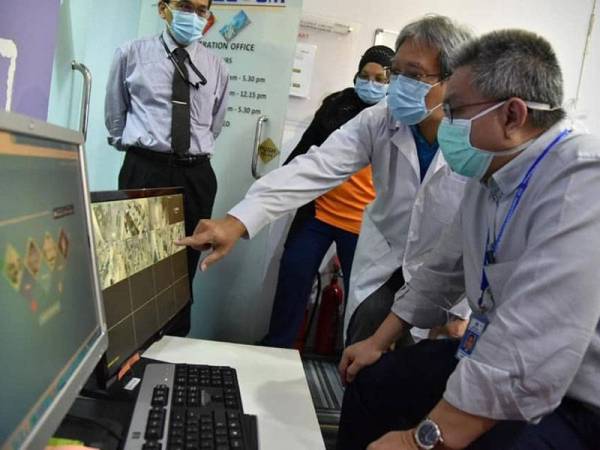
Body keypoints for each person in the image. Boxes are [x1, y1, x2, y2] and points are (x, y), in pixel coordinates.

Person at [337, 29, 600, 450]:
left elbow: (534, 334)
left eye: (456, 110)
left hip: (575, 397)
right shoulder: (491, 170)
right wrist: (377, 341)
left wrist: (419, 440)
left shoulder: (583, 180)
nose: (445, 121)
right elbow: (442, 269)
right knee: (375, 384)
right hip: (490, 351)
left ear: (513, 116)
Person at [178, 15, 473, 345]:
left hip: (446, 278)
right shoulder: (380, 119)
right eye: (398, 74)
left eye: (415, 75)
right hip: (384, 261)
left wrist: (461, 308)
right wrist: (237, 221)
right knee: (362, 356)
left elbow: (484, 227)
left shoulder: (476, 137)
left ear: (454, 80)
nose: (399, 85)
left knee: (424, 379)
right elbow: (315, 166)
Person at [105, 0, 229, 335]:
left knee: (182, 266)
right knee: (133, 265)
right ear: (163, 8)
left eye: (201, 10)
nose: (194, 16)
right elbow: (115, 118)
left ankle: (173, 346)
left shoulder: (216, 66)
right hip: (146, 167)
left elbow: (213, 125)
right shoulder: (131, 53)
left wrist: (187, 154)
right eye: (185, 6)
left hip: (196, 175)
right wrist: (144, 149)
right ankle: (129, 351)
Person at [261, 45, 395, 348]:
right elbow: (303, 154)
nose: (370, 83)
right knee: (293, 278)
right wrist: (275, 190)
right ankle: (276, 350)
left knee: (364, 299)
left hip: (363, 224)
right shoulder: (336, 105)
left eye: (380, 79)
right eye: (365, 76)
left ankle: (354, 361)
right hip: (318, 214)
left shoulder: (395, 116)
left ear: (392, 82)